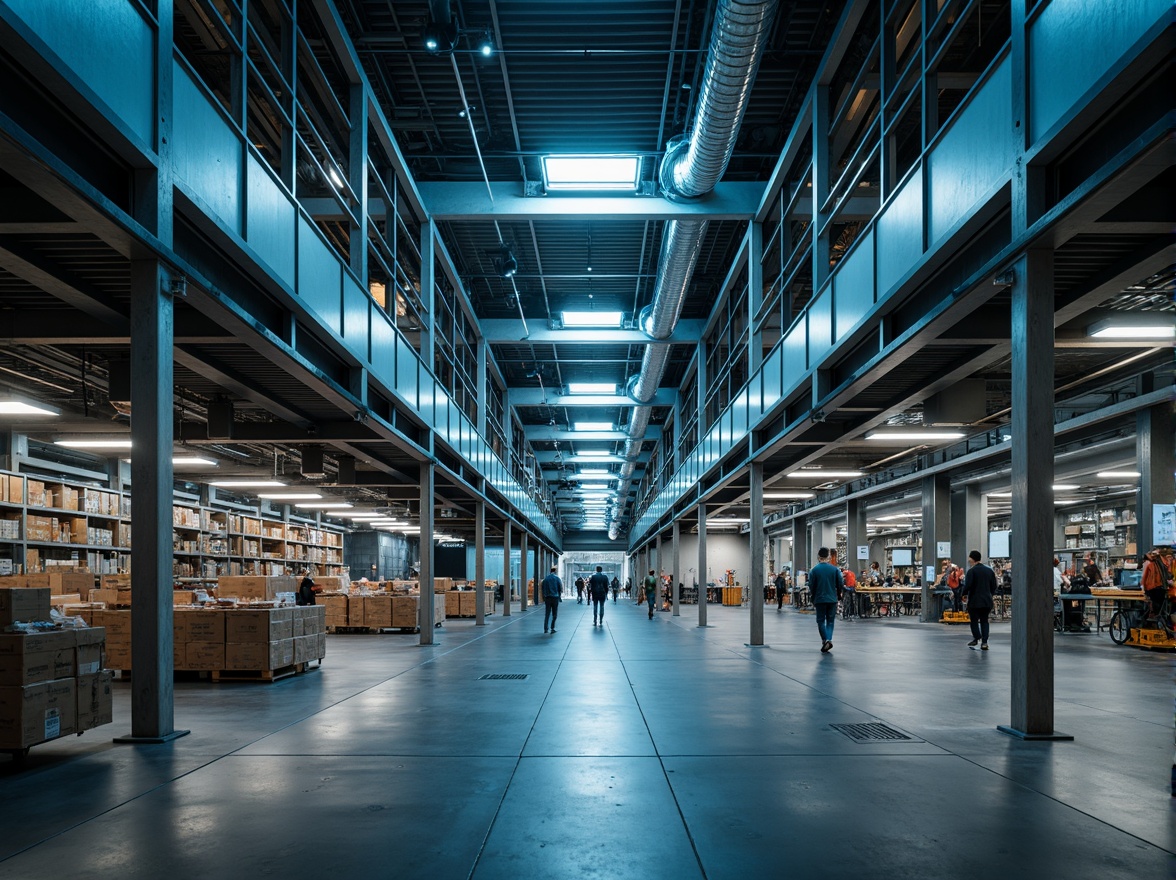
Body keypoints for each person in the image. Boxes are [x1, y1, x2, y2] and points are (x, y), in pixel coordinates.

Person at [809, 547, 843, 653]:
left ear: (818, 557)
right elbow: (840, 583)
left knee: (820, 621)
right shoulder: (835, 569)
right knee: (830, 621)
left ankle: (825, 640)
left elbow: (811, 586)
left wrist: (813, 597)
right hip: (832, 599)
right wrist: (838, 594)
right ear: (828, 557)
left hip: (819, 599)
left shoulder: (814, 570)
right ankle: (829, 639)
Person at [961, 549, 996, 650]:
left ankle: (977, 637)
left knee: (974, 621)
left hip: (974, 601)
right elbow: (994, 586)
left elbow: (968, 586)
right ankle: (984, 642)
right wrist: (990, 595)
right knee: (985, 621)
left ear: (972, 559)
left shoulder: (971, 571)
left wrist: (963, 594)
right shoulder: (989, 571)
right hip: (987, 601)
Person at [1141, 547, 1171, 618]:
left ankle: (1154, 618)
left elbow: (1144, 577)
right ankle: (1156, 618)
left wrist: (1143, 587)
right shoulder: (1159, 562)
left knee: (1155, 604)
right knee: (1158, 605)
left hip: (1153, 587)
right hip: (1158, 587)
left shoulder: (1150, 563)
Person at [541, 565, 562, 634]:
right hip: (555, 598)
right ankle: (552, 627)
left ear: (550, 571)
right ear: (555, 571)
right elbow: (560, 588)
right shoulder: (557, 578)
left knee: (547, 614)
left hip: (548, 598)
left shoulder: (546, 579)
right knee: (554, 614)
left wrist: (544, 597)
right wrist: (559, 597)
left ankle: (545, 628)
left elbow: (543, 588)